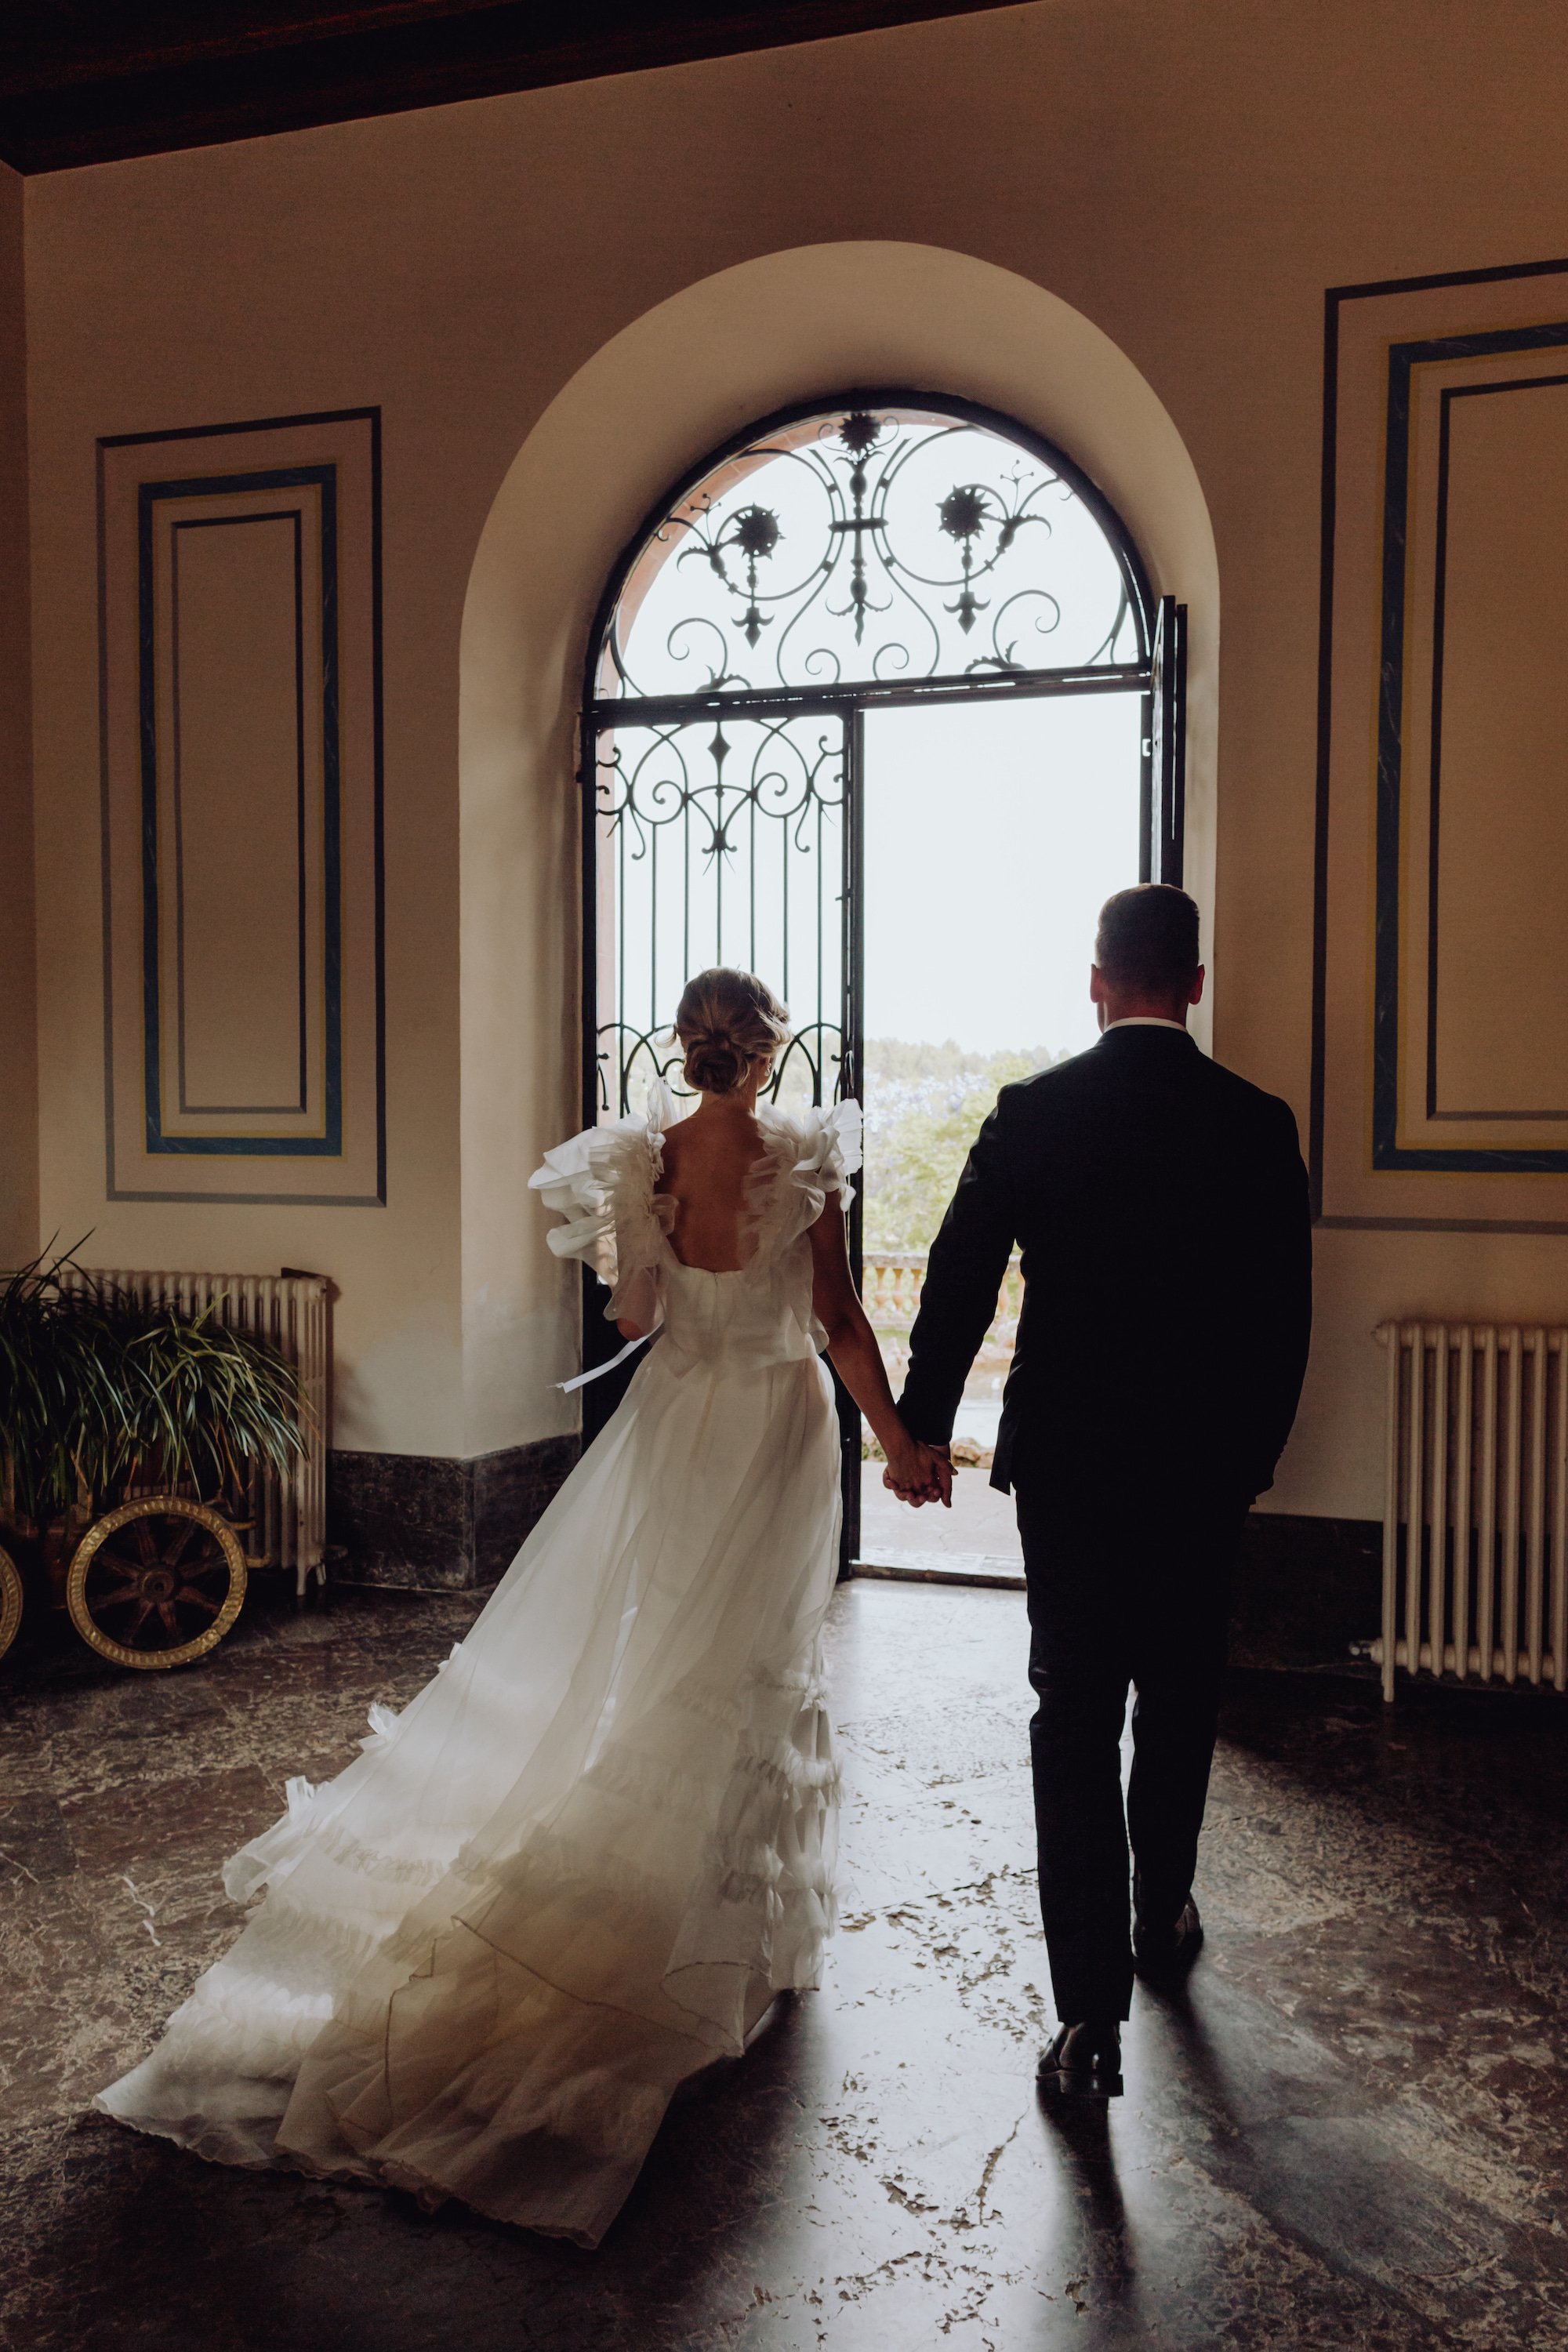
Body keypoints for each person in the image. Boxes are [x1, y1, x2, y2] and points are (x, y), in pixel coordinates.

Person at [98, 968, 946, 2245]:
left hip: (676, 1420)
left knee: (666, 1650)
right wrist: (893, 1440)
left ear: (688, 1049)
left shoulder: (640, 1159)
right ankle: (724, 1932)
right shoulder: (804, 1154)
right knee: (760, 1664)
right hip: (775, 1422)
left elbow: (642, 1312)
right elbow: (833, 1315)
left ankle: (686, 1901)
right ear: (767, 1052)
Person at [896, 886, 1311, 2101]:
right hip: (1199, 1473)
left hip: (1069, 1471)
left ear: (1097, 980)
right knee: (1180, 1697)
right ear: (1193, 981)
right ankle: (1163, 1907)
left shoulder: (1034, 1114)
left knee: (1070, 1718)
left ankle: (1087, 2022)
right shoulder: (1257, 1123)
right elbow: (1283, 1319)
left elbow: (958, 1278)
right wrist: (1252, 1459)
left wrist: (922, 1427)